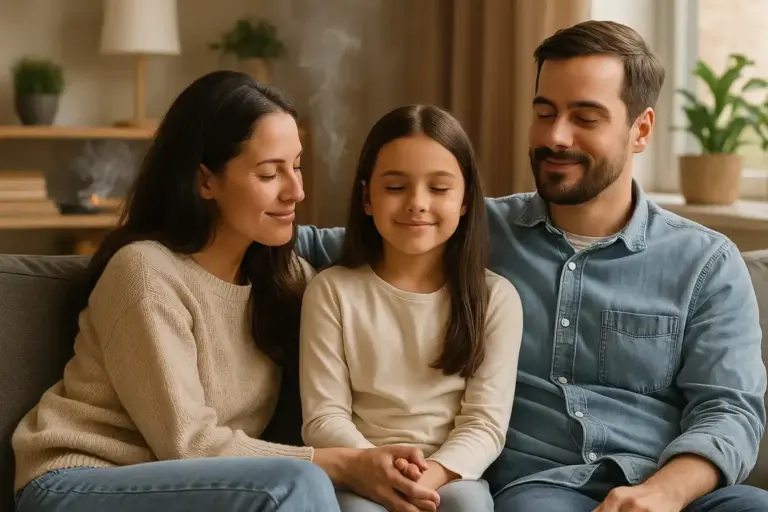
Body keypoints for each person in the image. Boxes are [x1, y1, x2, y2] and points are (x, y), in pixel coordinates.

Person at [296, 20, 768, 512]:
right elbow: (324, 244)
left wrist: (663, 493)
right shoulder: (464, 229)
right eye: (545, 113)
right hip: (542, 490)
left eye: (585, 118)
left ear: (641, 130)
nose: (556, 136)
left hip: (673, 490)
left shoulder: (706, 263)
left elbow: (729, 411)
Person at [12, 71, 440, 512]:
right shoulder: (144, 273)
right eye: (269, 173)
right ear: (205, 181)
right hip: (79, 482)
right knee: (296, 484)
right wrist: (346, 464)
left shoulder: (285, 277)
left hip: (199, 485)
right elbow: (188, 445)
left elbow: (373, 263)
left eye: (296, 166)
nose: (296, 191)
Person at [298, 105, 523, 512]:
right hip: (358, 470)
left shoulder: (495, 298)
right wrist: (375, 468)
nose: (417, 203)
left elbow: (485, 424)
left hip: (450, 474)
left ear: (466, 201)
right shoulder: (331, 291)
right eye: (396, 187)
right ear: (366, 198)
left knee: (469, 507)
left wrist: (429, 476)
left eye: (439, 189)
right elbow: (323, 418)